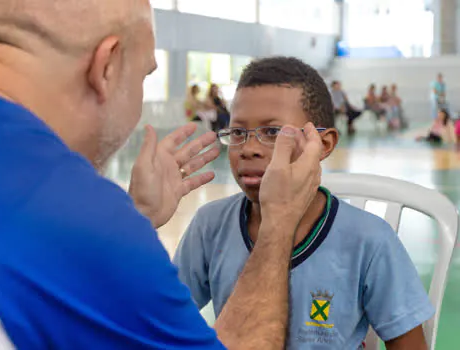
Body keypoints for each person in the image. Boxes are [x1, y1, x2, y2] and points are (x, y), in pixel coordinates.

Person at [0, 0, 324, 349]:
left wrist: (136, 216)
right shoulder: (72, 214)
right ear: (106, 65)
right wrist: (278, 223)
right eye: (145, 74)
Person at [174, 57, 434, 349]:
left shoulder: (370, 240)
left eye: (272, 132)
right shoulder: (209, 225)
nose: (248, 149)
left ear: (322, 145)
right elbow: (161, 324)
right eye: (237, 133)